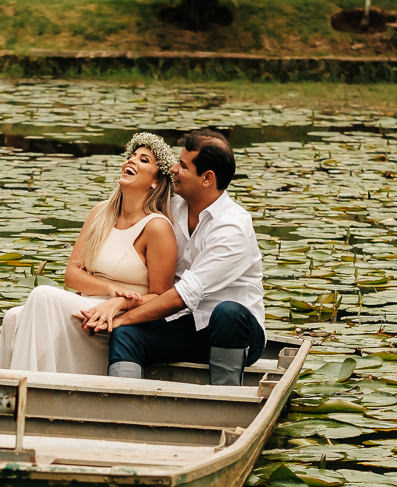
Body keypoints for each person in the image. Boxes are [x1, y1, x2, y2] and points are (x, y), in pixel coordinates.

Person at [82, 129, 265, 386]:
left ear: (207, 178)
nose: (174, 169)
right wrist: (122, 316)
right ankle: (121, 400)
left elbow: (184, 295)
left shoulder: (233, 227)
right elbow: (135, 195)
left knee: (228, 313)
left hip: (235, 335)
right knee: (126, 334)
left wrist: (123, 314)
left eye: (183, 165)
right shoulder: (173, 205)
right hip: (186, 326)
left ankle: (226, 399)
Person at [0, 132, 178, 374]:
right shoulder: (100, 213)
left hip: (115, 320)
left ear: (156, 181)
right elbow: (71, 275)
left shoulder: (157, 227)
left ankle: (32, 391)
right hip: (89, 304)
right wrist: (109, 289)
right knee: (13, 317)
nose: (131, 161)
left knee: (42, 296)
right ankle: (18, 393)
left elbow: (160, 296)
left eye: (144, 160)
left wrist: (118, 301)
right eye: (131, 156)